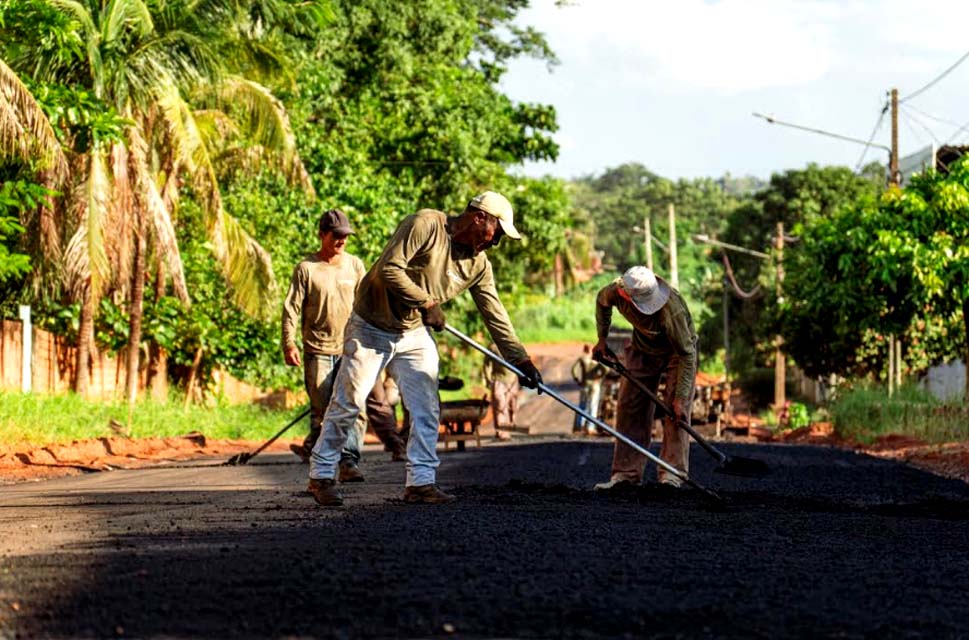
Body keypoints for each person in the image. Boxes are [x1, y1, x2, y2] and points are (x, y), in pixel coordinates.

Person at [306, 191, 543, 506]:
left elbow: (495, 315)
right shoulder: (426, 224)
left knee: (426, 407)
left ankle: (421, 483)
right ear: (479, 217)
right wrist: (427, 301)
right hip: (371, 325)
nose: (496, 242)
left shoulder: (478, 265)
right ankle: (321, 475)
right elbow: (390, 269)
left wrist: (521, 361)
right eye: (496, 233)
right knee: (349, 401)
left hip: (413, 332)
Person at [281, 209, 406, 483]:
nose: (341, 241)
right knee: (324, 411)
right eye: (336, 236)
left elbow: (370, 301)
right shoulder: (306, 268)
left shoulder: (355, 265)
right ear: (322, 235)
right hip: (318, 350)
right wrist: (288, 342)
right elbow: (291, 308)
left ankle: (349, 461)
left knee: (356, 406)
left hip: (353, 346)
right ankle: (322, 467)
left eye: (345, 236)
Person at [592, 266, 697, 489]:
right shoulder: (614, 293)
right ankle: (626, 474)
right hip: (643, 348)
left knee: (675, 413)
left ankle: (672, 475)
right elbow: (601, 304)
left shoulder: (671, 311)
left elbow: (687, 355)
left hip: (678, 354)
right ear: (624, 294)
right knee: (630, 407)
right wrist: (602, 339)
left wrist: (680, 397)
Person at [483, 342, 519, 438]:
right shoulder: (493, 347)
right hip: (498, 380)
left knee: (512, 407)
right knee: (500, 406)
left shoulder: (514, 344)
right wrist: (488, 379)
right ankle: (501, 432)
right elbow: (487, 364)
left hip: (513, 380)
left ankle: (510, 425)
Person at [571, 344, 606, 435]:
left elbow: (574, 370)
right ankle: (590, 427)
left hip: (584, 385)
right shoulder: (596, 359)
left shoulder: (582, 359)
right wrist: (599, 378)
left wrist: (577, 380)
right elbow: (605, 369)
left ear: (584, 349)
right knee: (593, 406)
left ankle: (579, 427)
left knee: (582, 406)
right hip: (595, 385)